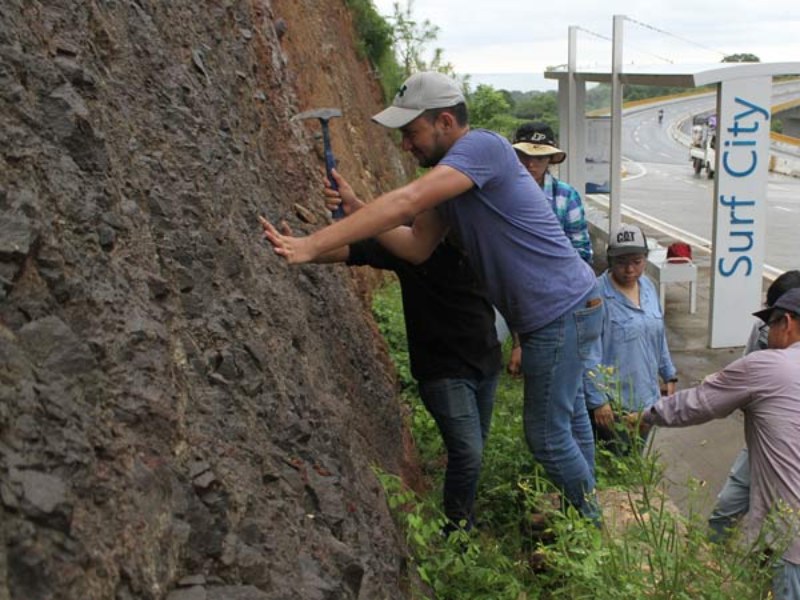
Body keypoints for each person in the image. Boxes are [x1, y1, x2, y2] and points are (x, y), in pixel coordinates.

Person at [260, 70, 603, 521]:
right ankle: (589, 513)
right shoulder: (456, 188)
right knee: (568, 420)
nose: (406, 144)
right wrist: (359, 208)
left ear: (445, 121)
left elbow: (406, 201)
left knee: (547, 436)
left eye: (411, 132)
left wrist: (312, 244)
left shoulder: (483, 148)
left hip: (561, 312)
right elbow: (418, 247)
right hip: (560, 312)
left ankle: (591, 526)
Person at [307, 171, 502, 532]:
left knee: (473, 451)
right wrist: (306, 246)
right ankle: (458, 532)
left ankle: (465, 512)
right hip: (443, 371)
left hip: (487, 362)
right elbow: (352, 249)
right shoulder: (411, 249)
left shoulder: (483, 245)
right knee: (469, 452)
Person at [630, 287, 800, 600]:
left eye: (770, 326)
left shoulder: (767, 365)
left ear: (786, 323)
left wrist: (646, 415)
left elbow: (699, 403)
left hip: (793, 541)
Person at [707, 269, 800, 541]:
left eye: (777, 318)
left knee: (783, 531)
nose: (772, 325)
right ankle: (711, 571)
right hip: (762, 442)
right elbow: (745, 372)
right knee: (725, 510)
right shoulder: (763, 330)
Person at [507, 122, 593, 376]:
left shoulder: (566, 196)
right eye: (525, 156)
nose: (532, 164)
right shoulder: (503, 193)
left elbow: (582, 250)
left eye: (540, 157)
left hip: (560, 289)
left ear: (550, 159)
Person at [588, 224, 677, 453]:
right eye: (621, 262)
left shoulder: (647, 286)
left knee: (639, 459)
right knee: (618, 464)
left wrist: (668, 373)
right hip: (615, 405)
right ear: (610, 260)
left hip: (647, 399)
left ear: (645, 259)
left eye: (637, 262)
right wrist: (598, 400)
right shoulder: (597, 295)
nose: (629, 269)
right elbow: (588, 352)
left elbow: (658, 333)